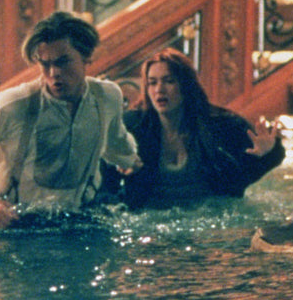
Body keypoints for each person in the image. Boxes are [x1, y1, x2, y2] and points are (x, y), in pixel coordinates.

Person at [0, 11, 142, 229]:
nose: (54, 73)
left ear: (86, 57)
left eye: (63, 62)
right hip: (19, 223)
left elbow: (114, 137)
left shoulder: (106, 96)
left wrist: (129, 159)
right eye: (45, 64)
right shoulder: (17, 103)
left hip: (82, 218)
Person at [114, 48, 283, 209]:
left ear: (186, 85)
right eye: (152, 83)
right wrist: (122, 171)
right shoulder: (132, 127)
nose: (159, 90)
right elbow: (107, 190)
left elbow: (243, 176)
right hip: (150, 218)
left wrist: (269, 153)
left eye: (169, 81)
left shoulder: (220, 124)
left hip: (210, 217)